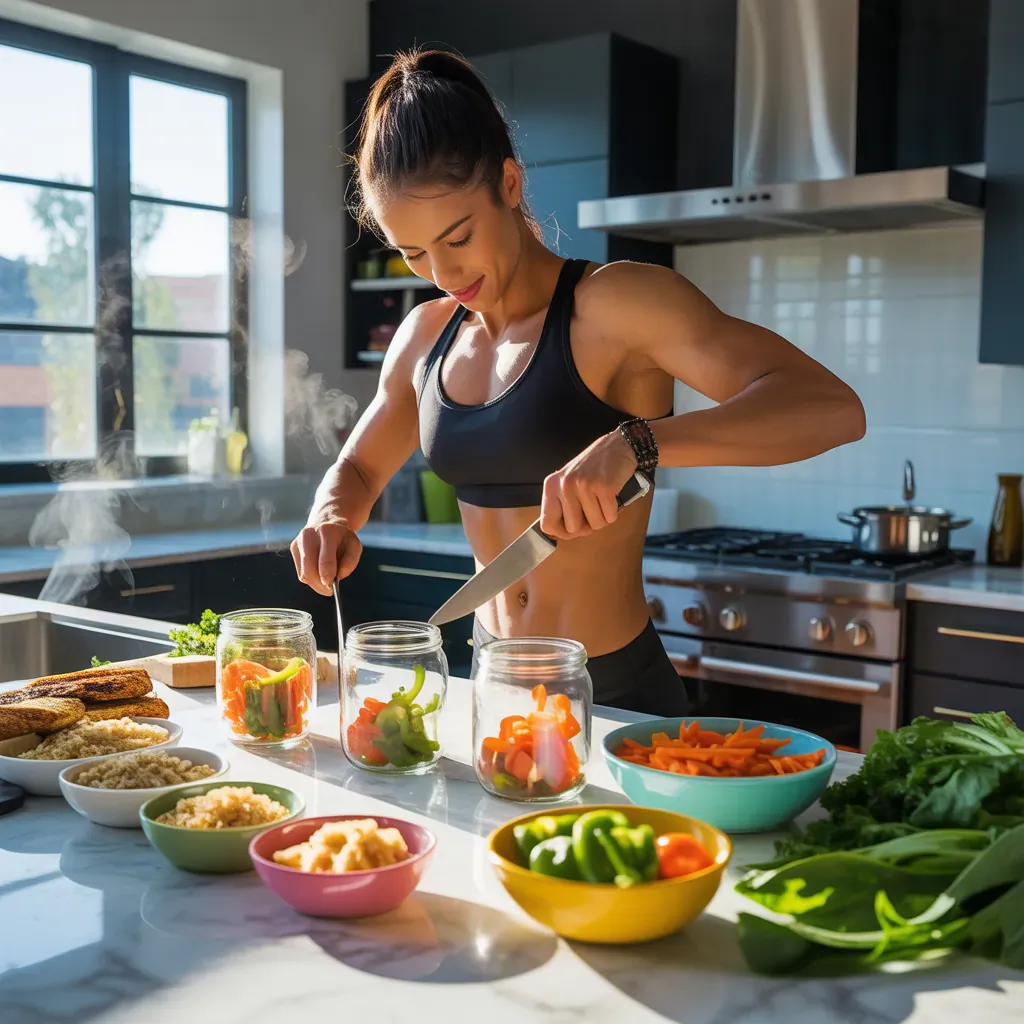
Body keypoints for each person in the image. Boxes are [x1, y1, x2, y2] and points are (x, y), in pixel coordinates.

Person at [291, 49, 866, 716]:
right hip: (492, 684)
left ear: (509, 182)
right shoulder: (425, 336)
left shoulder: (617, 304)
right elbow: (359, 469)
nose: (443, 274)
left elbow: (831, 409)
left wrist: (637, 443)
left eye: (458, 237)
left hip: (612, 691)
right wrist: (331, 515)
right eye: (413, 253)